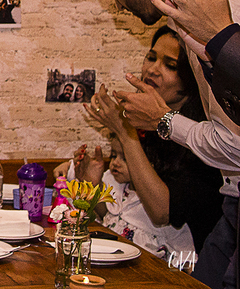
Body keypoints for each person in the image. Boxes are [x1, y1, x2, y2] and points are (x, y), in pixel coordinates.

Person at [86, 0, 240, 289]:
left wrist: (164, 121)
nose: (118, 5)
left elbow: (235, 147)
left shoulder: (217, 17)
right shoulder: (185, 21)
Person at [72, 26, 223, 254]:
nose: (152, 70)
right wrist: (91, 185)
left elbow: (161, 213)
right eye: (151, 58)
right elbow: (121, 214)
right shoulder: (143, 124)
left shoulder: (204, 136)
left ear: (192, 77)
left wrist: (125, 132)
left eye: (170, 66)